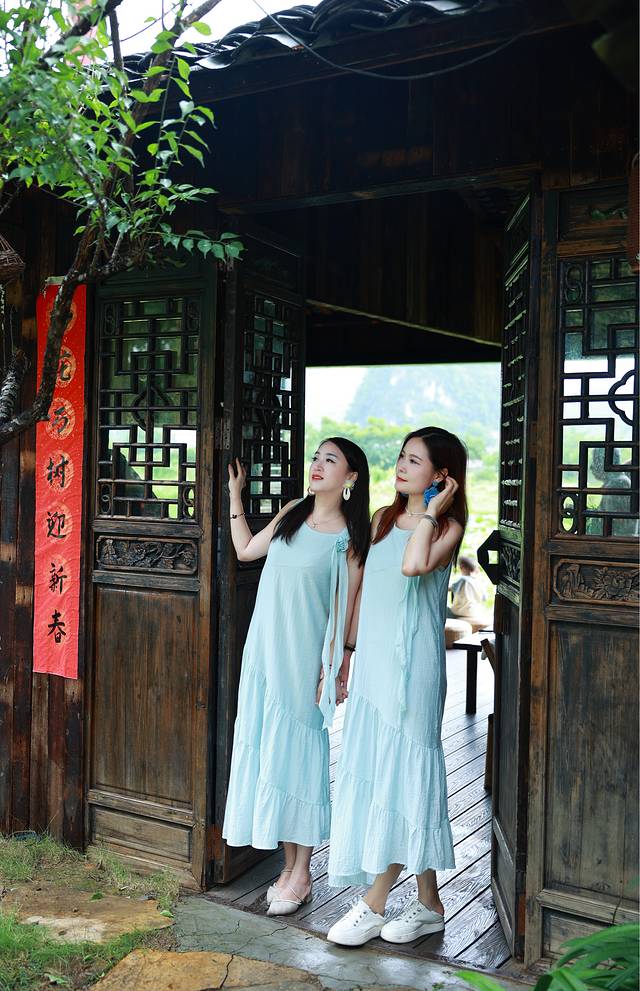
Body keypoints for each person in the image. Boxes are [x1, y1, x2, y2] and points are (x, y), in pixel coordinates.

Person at [326, 426, 467, 946]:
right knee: (386, 774)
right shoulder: (383, 518)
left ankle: (374, 902)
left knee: (404, 775)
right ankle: (429, 904)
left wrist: (432, 510)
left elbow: (412, 566)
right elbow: (362, 588)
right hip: (374, 666)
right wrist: (345, 652)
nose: (401, 466)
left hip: (415, 669)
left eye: (414, 460)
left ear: (441, 476)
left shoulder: (447, 527)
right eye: (402, 457)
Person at [222, 438, 370, 917]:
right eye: (316, 457)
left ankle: (302, 871)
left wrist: (340, 664)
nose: (317, 465)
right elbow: (246, 550)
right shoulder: (292, 512)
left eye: (331, 460)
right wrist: (235, 496)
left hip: (307, 658)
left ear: (350, 477)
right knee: (273, 752)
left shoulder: (351, 536)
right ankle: (287, 868)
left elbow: (351, 605)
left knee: (300, 756)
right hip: (266, 651)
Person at [447, 555, 490, 630]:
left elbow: (448, 589)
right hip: (475, 612)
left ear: (462, 567)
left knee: (444, 609)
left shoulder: (462, 580)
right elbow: (484, 598)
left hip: (461, 612)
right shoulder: (479, 581)